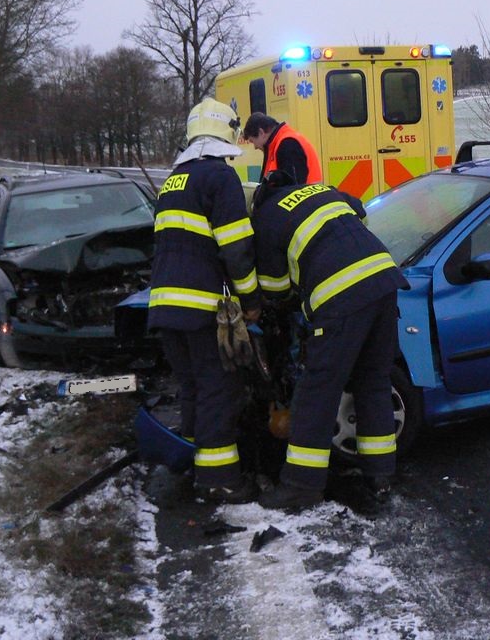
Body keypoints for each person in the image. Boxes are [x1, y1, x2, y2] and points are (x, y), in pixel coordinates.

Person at [250, 171, 408, 511]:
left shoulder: (265, 218)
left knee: (317, 389)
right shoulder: (319, 190)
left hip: (340, 296)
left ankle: (301, 486)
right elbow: (360, 211)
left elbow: (275, 288)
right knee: (373, 382)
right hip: (384, 280)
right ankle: (379, 473)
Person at [148, 97, 262, 504]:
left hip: (163, 306)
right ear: (225, 135)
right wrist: (251, 301)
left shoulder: (173, 181)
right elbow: (236, 249)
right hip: (200, 307)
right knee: (218, 388)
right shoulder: (220, 178)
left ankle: (195, 462)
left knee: (193, 387)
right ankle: (220, 481)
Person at [242, 112, 322, 185]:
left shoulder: (287, 145)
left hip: (308, 200)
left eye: (252, 141)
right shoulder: (277, 145)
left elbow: (292, 188)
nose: (255, 147)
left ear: (261, 133)